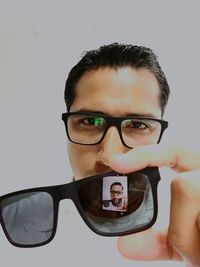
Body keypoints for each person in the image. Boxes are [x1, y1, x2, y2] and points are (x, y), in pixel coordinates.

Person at [63, 43, 200, 266]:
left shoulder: (192, 213)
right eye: (90, 121)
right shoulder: (18, 227)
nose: (110, 155)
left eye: (137, 124)